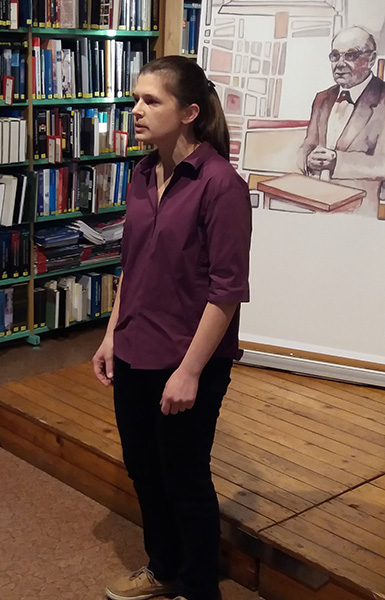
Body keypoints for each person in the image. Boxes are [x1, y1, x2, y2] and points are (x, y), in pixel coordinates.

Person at [92, 55, 252, 600]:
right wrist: (112, 335)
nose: (136, 110)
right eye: (136, 99)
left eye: (150, 100)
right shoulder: (141, 173)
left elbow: (227, 291)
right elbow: (132, 265)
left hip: (188, 359)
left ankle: (200, 588)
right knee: (142, 467)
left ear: (189, 112)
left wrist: (188, 372)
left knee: (184, 478)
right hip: (135, 347)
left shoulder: (221, 184)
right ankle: (163, 567)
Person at [299, 26, 385, 217]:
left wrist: (337, 161)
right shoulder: (322, 98)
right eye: (335, 56)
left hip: (359, 214)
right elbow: (307, 146)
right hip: (316, 207)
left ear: (371, 59)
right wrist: (307, 159)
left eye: (351, 55)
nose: (340, 64)